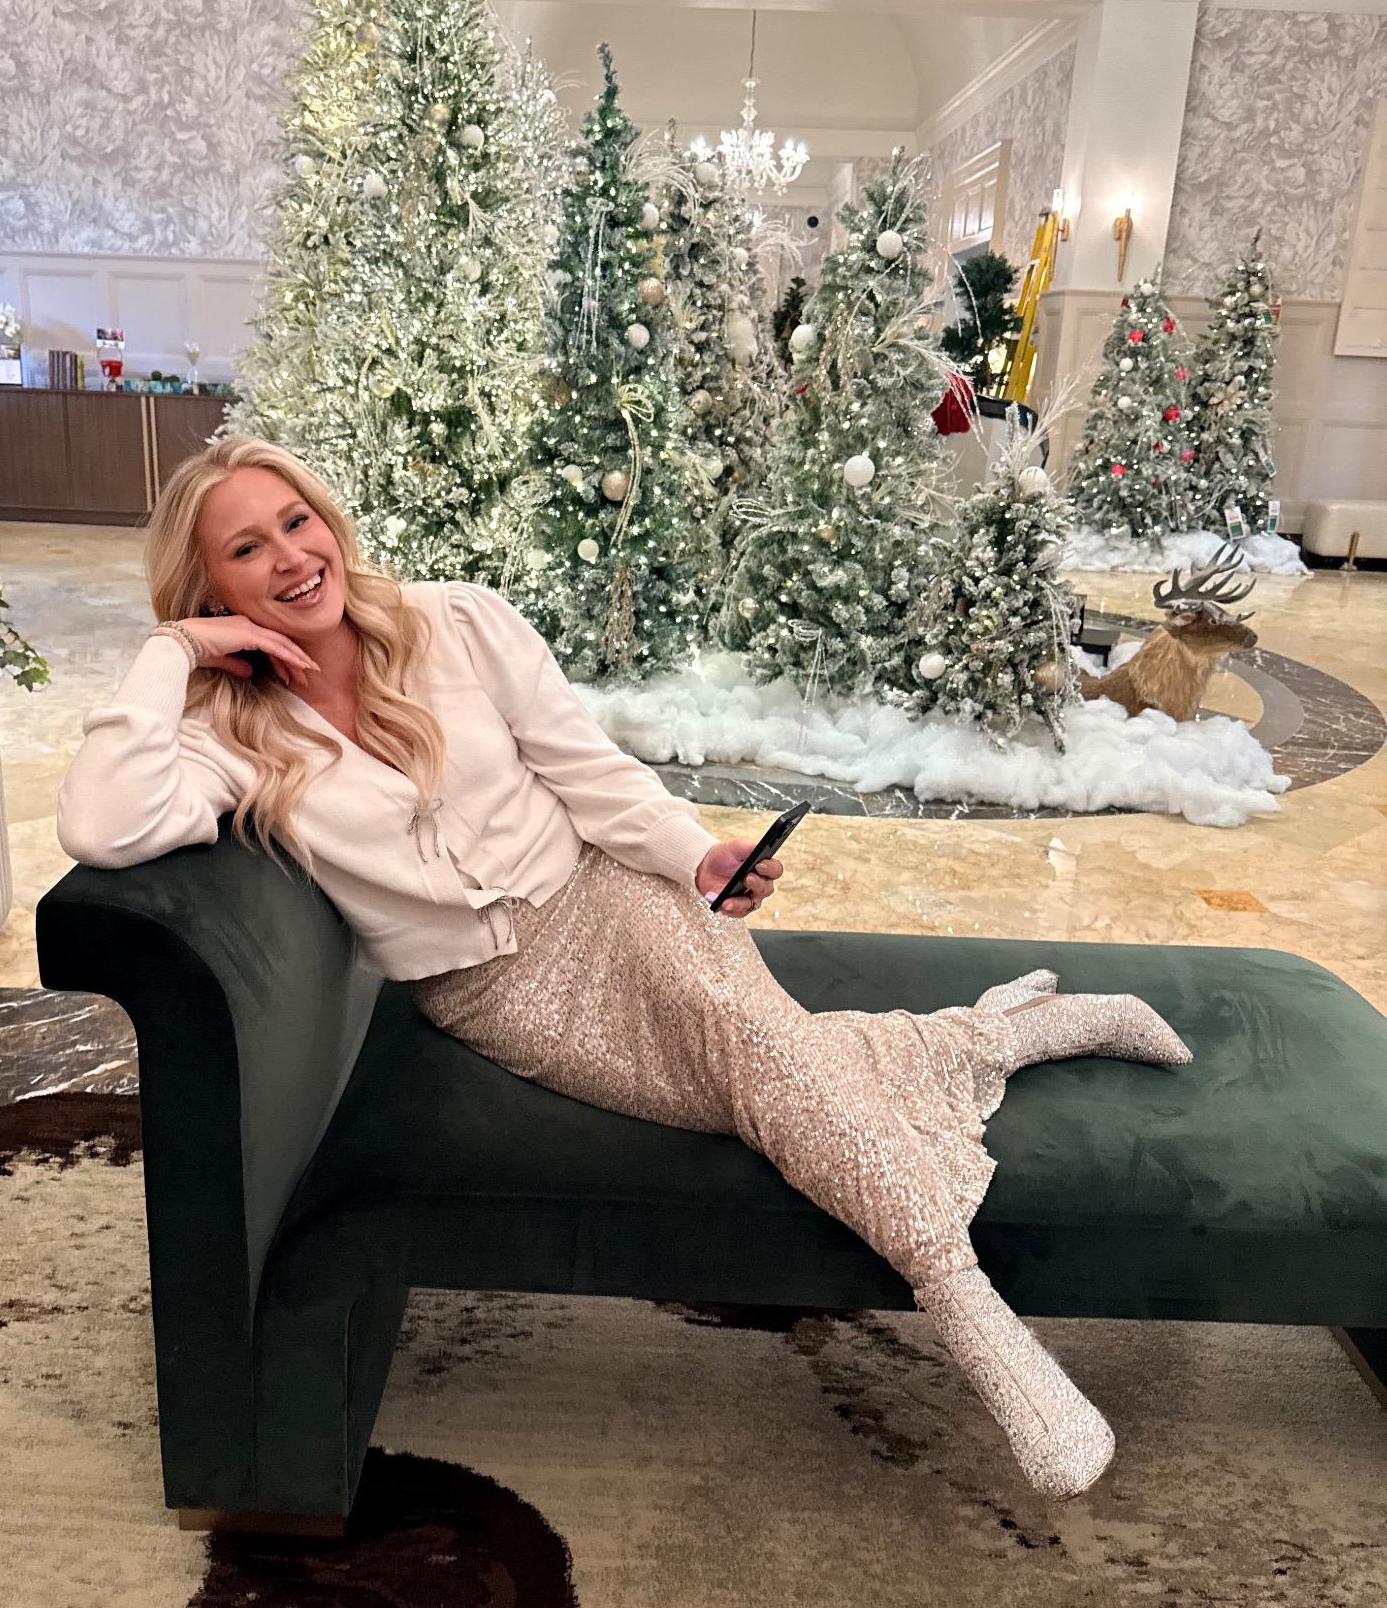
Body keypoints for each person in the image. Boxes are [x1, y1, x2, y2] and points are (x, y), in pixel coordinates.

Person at [58, 436, 1192, 1499]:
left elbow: (589, 772)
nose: (289, 558)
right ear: (210, 589)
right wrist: (173, 653)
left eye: (296, 522)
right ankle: (999, 1033)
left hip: (611, 893)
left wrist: (697, 856)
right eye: (245, 548)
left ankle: (975, 1318)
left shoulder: (453, 622)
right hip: (498, 995)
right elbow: (102, 822)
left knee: (750, 1048)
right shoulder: (229, 731)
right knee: (760, 1082)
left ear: (329, 523)